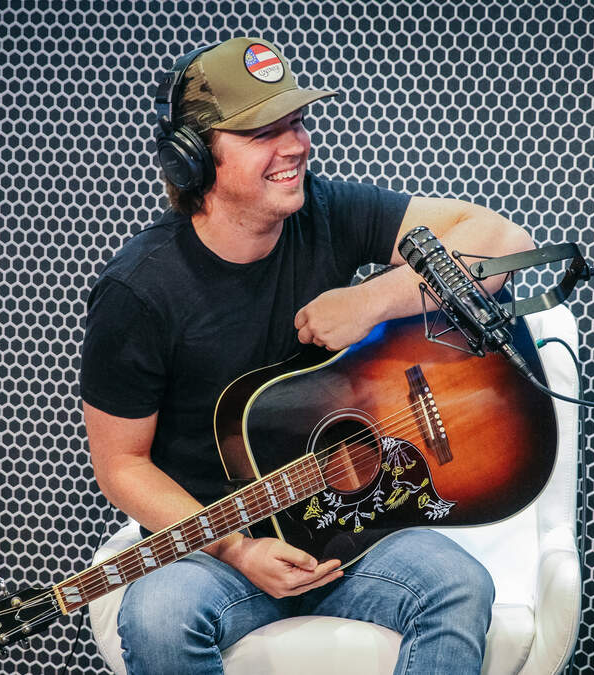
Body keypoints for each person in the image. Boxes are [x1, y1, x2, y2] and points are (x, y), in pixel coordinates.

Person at [80, 37, 536, 674]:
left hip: (350, 529)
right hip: (217, 551)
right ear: (193, 158)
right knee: (160, 617)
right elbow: (121, 466)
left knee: (458, 587)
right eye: (263, 131)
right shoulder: (139, 291)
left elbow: (503, 241)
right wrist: (238, 550)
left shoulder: (326, 211)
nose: (295, 144)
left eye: (295, 121)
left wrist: (373, 300)